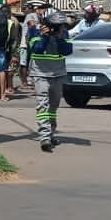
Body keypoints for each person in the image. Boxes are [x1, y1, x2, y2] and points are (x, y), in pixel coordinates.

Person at [29, 10, 74, 151]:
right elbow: (36, 49)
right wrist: (45, 36)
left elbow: (67, 51)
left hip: (58, 74)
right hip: (40, 74)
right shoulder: (35, 30)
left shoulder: (63, 31)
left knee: (53, 107)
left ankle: (51, 133)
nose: (57, 27)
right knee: (43, 105)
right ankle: (45, 138)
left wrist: (59, 37)